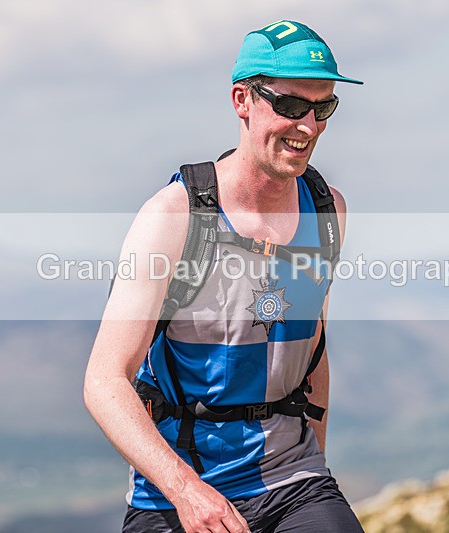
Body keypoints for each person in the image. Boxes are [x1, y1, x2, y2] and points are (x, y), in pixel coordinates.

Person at [84, 20, 363, 533]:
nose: (308, 127)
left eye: (323, 108)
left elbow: (312, 349)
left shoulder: (328, 210)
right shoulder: (174, 217)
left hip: (294, 481)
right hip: (179, 491)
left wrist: (316, 471)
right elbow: (104, 381)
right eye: (290, 105)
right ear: (242, 100)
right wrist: (189, 494)